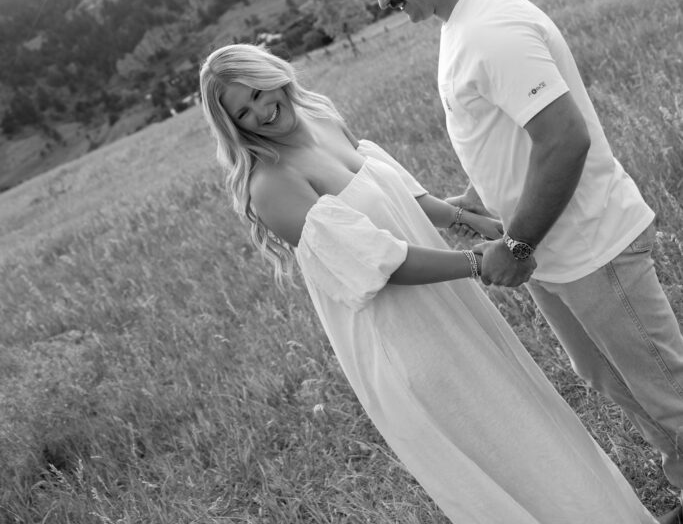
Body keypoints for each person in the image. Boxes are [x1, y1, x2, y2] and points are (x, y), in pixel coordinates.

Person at [199, 42, 658, 524]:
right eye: (242, 112)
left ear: (273, 74)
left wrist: (466, 218)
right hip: (405, 337)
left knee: (531, 417)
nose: (259, 112)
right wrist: (479, 263)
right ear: (233, 126)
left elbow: (397, 192)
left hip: (447, 306)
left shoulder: (320, 117)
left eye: (255, 92)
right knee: (504, 449)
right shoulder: (272, 183)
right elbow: (378, 264)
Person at [345, 0, 683, 524]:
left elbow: (564, 139)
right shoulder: (459, 22)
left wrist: (517, 245)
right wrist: (474, 201)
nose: (383, 1)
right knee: (610, 378)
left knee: (666, 389)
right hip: (554, 253)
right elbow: (511, 136)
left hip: (590, 246)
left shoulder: (491, 26)